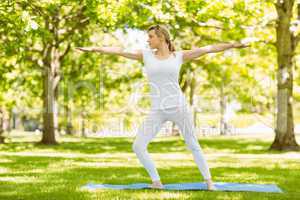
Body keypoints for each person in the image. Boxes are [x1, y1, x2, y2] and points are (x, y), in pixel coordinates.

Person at [75, 24, 248, 190]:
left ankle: (209, 182)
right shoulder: (146, 55)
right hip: (157, 110)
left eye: (150, 37)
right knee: (138, 146)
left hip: (178, 107)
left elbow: (208, 48)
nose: (147, 40)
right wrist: (95, 49)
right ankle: (156, 181)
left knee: (193, 144)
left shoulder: (179, 56)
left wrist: (233, 45)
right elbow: (120, 51)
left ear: (162, 37)